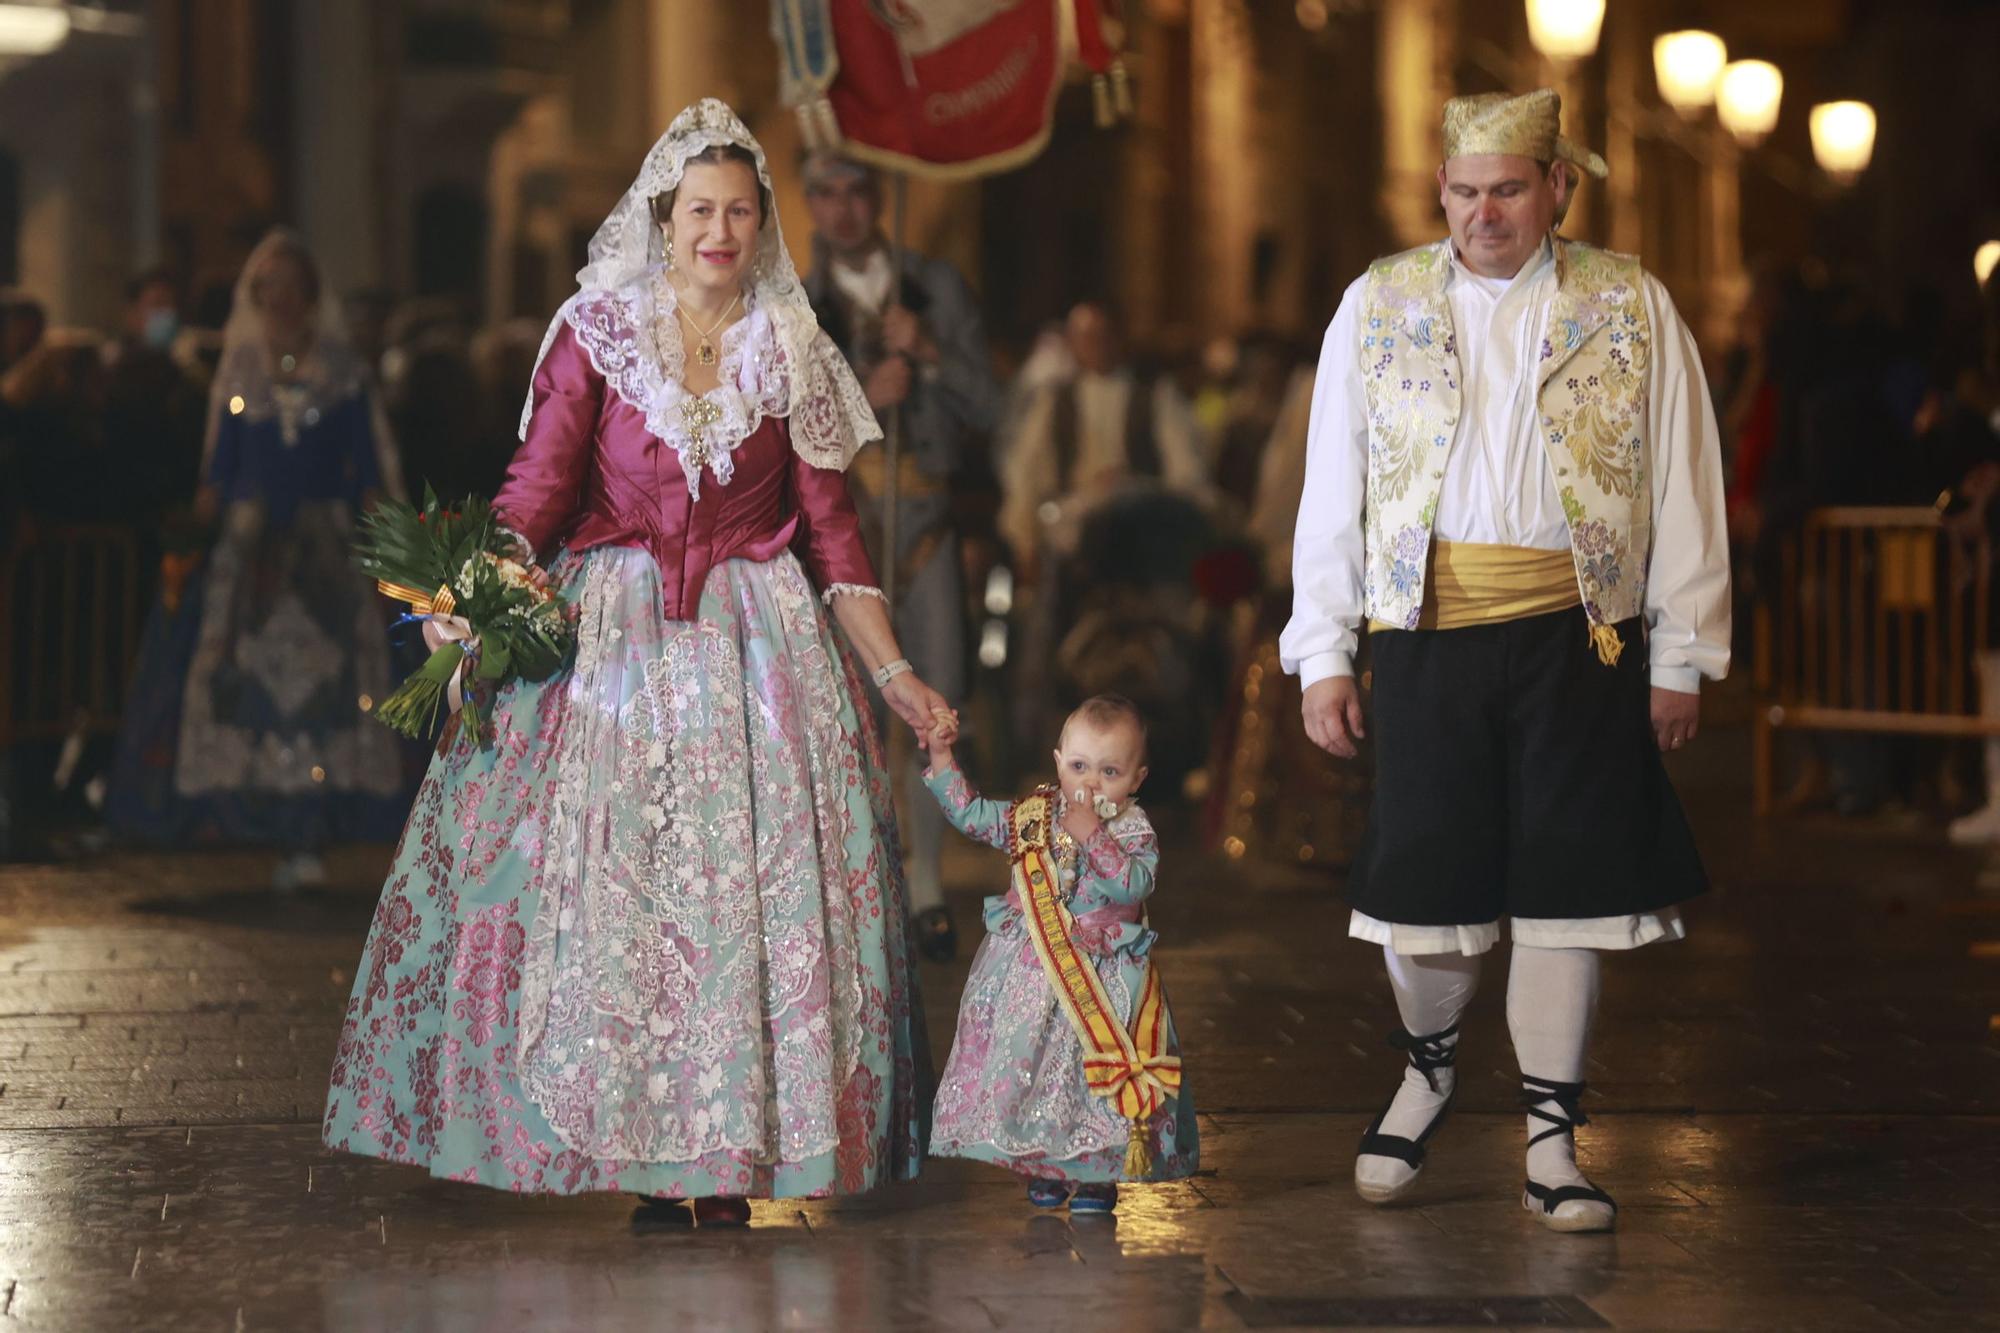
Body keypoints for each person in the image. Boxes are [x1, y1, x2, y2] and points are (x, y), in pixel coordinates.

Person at [321, 100, 941, 1223]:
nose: (719, 230)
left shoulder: (790, 346)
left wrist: (899, 680)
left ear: (762, 225)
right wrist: (482, 586)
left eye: (739, 212)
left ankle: (724, 1163)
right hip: (612, 652)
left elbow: (833, 536)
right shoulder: (596, 331)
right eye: (700, 210)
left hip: (758, 657)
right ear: (665, 219)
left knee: (739, 912)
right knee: (614, 904)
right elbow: (537, 490)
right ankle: (641, 1156)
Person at [1281, 89, 1730, 1233]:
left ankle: (1549, 1132)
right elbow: (1332, 484)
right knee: (1422, 880)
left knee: (1567, 889)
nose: (1484, 213)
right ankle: (1426, 1068)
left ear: (1556, 189)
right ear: (1440, 192)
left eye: (1508, 190)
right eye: (1465, 192)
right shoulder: (1376, 305)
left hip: (1580, 635)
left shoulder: (1627, 302)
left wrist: (1680, 649)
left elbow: (1682, 480)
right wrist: (1321, 650)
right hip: (1425, 632)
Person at [103, 231, 410, 882]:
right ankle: (258, 818)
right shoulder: (240, 367)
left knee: (328, 679)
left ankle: (314, 826)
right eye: (271, 287)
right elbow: (221, 466)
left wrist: (397, 542)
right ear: (257, 295)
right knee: (246, 677)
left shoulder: (343, 368)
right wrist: (193, 536)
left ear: (310, 294)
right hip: (252, 549)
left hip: (326, 547)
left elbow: (368, 468)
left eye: (293, 286)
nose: (283, 299)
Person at [803, 150, 1001, 962]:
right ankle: (861, 883)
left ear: (878, 196)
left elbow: (992, 402)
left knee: (932, 702)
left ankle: (926, 885)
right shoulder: (795, 299)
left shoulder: (934, 287)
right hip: (842, 529)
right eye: (827, 194)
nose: (845, 210)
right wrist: (856, 387)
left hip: (923, 520)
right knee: (843, 710)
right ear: (811, 203)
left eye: (858, 191)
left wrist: (927, 355)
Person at [920, 694, 1196, 1214]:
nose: (1090, 783)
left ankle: (1097, 1172)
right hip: (1033, 969)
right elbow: (974, 815)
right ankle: (1044, 1162)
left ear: (1137, 778)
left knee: (1088, 1072)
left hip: (1105, 974)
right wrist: (940, 759)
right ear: (1057, 762)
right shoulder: (1033, 816)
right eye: (1078, 766)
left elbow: (1136, 884)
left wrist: (1096, 839)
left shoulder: (1133, 828)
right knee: (1035, 1068)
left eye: (1110, 770)